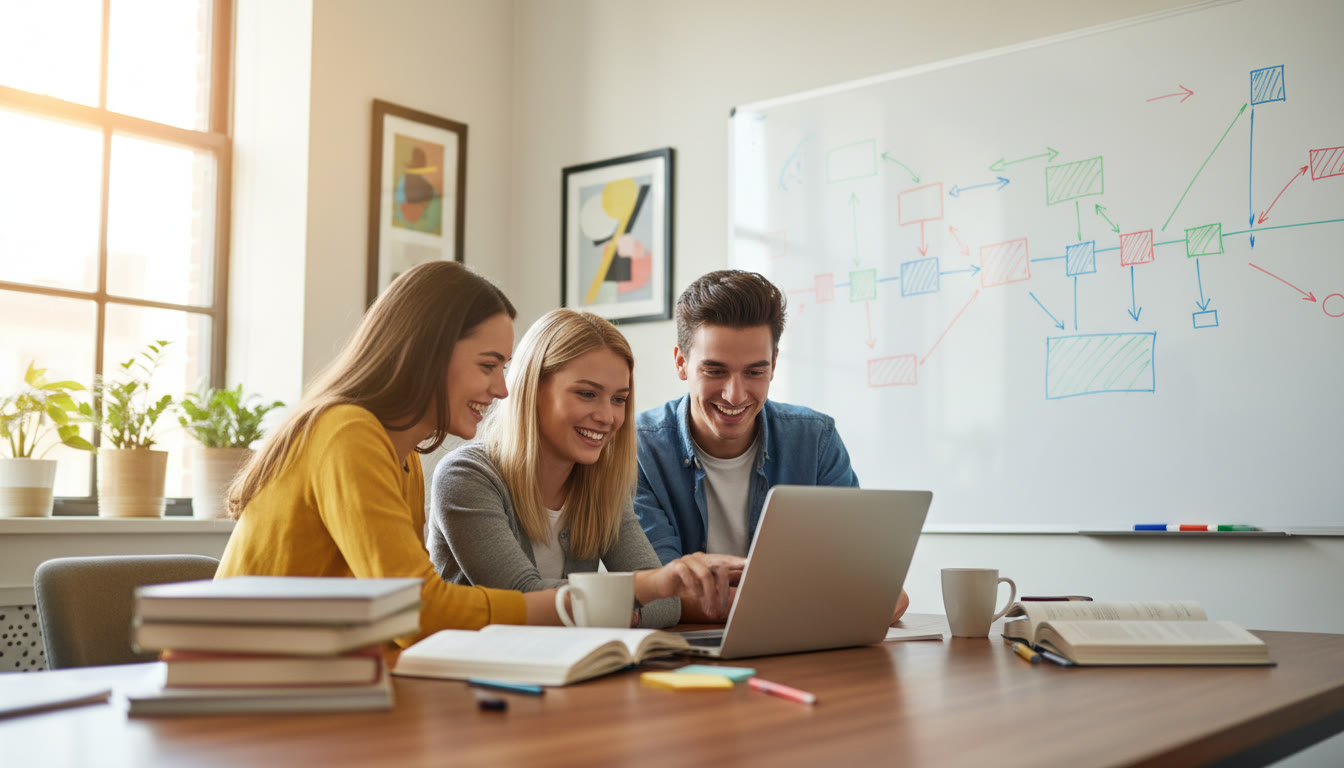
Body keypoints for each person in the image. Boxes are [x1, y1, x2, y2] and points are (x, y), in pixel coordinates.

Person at [217, 261, 568, 644]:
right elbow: (416, 611)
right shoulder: (348, 433)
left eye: (504, 368)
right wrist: (567, 606)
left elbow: (402, 618)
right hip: (239, 682)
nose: (501, 390)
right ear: (427, 353)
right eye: (488, 365)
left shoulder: (405, 456)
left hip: (314, 672)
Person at [428, 309, 743, 627]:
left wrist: (607, 607)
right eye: (587, 394)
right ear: (533, 389)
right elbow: (520, 601)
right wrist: (632, 598)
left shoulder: (601, 484)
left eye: (619, 399)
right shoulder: (465, 477)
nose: (607, 417)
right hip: (476, 671)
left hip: (566, 670)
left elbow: (666, 607)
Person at [634, 269, 910, 622]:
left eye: (754, 372)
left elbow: (877, 588)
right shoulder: (638, 449)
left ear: (774, 365)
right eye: (715, 371)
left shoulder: (815, 440)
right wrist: (826, 600)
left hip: (799, 652)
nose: (735, 394)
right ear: (681, 363)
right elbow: (663, 594)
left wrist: (864, 593)